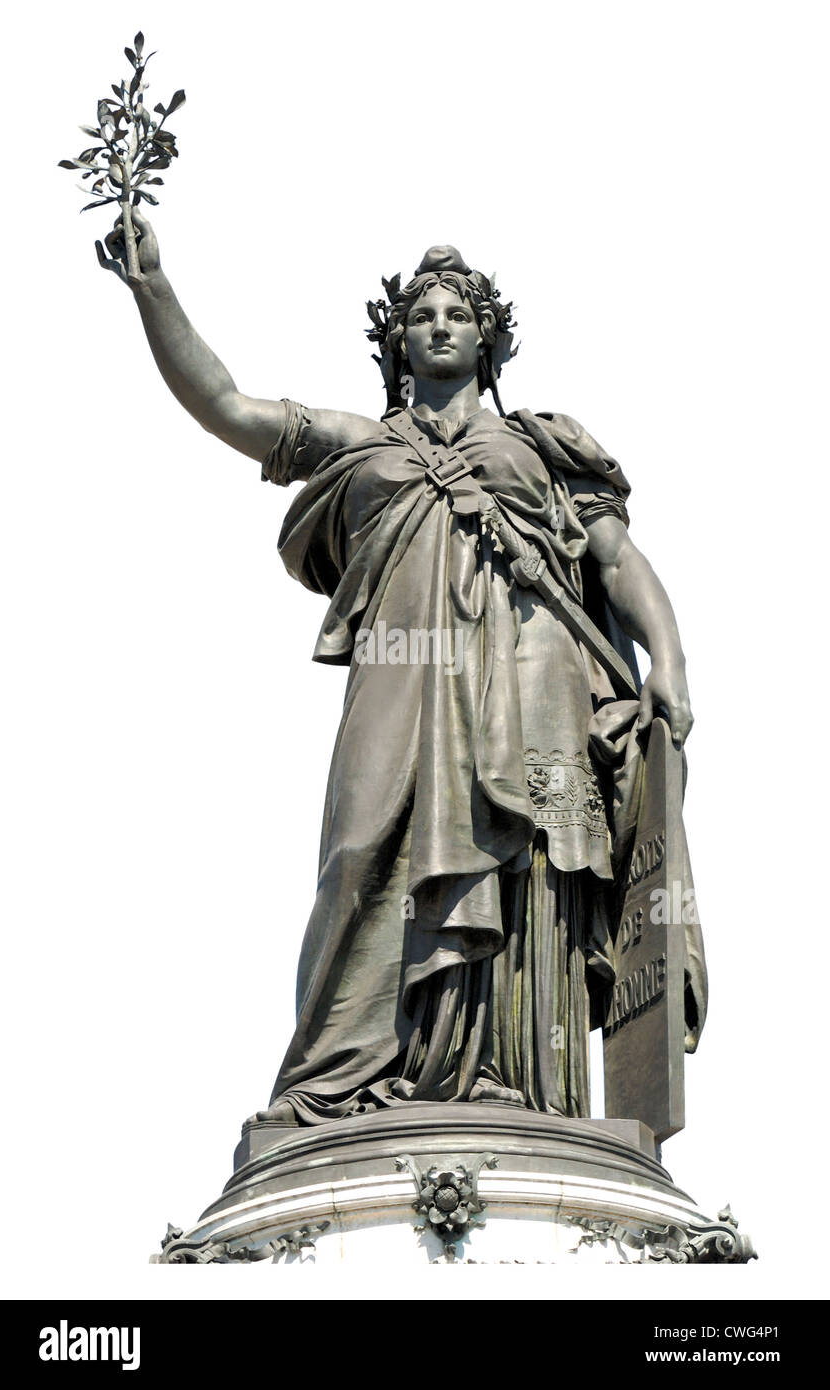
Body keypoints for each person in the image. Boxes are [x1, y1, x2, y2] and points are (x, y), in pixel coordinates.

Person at [98, 219, 706, 1125]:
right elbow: (228, 406)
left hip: (534, 676)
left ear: (487, 336)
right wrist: (154, 292)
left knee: (526, 864)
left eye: (457, 312)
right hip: (397, 671)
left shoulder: (542, 447)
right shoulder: (358, 443)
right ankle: (343, 1073)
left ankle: (516, 1089)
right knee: (360, 851)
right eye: (419, 314)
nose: (438, 324)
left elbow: (615, 563)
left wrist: (670, 659)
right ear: (397, 343)